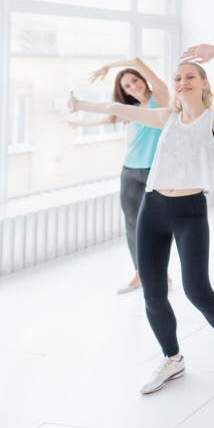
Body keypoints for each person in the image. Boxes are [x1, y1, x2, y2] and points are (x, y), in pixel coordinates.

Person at [68, 44, 214, 396]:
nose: (182, 82)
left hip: (190, 213)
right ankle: (172, 358)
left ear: (204, 83)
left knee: (197, 291)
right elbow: (117, 108)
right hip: (153, 210)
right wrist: (80, 105)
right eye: (177, 78)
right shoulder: (167, 117)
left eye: (190, 76)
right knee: (154, 291)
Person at [68, 58, 170, 294]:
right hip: (130, 171)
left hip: (158, 172)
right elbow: (107, 117)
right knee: (132, 224)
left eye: (135, 80)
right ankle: (140, 273)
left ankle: (160, 272)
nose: (133, 86)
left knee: (159, 226)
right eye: (127, 86)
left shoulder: (161, 97)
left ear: (143, 79)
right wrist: (77, 124)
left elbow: (135, 61)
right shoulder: (130, 109)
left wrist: (109, 66)